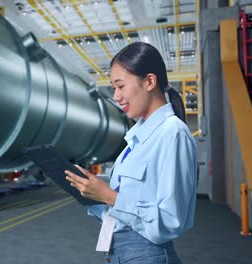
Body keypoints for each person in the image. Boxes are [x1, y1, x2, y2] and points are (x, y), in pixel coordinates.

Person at [65, 42, 197, 264]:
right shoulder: (135, 140)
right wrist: (91, 194)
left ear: (149, 82)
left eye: (120, 86)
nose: (116, 96)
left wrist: (108, 195)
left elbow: (171, 220)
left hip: (146, 254)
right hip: (120, 253)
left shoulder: (172, 133)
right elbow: (125, 211)